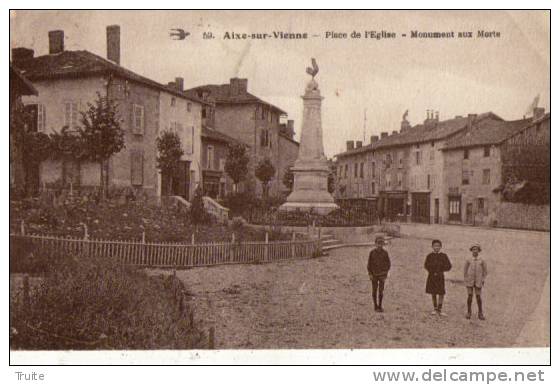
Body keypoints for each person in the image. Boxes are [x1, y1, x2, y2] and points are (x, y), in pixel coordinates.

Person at [424, 239, 452, 316]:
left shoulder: (443, 256)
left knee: (441, 292)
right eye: (435, 246)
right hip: (432, 276)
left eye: (438, 246)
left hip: (440, 276)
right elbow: (426, 265)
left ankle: (440, 308)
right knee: (433, 292)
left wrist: (441, 270)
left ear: (441, 247)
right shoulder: (429, 256)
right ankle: (435, 308)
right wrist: (432, 270)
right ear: (432, 247)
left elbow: (449, 266)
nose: (436, 247)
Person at [463, 243, 488, 320]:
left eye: (476, 249)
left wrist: (483, 279)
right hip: (470, 280)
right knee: (470, 296)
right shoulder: (468, 259)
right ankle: (469, 312)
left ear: (479, 250)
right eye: (473, 249)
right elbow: (465, 270)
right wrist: (466, 278)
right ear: (471, 250)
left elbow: (485, 271)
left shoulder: (482, 260)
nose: (475, 251)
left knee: (478, 296)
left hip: (478, 280)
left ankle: (480, 313)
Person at [367, 235, 391, 312]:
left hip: (382, 275)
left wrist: (385, 273)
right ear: (375, 244)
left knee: (381, 291)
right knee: (374, 290)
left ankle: (380, 305)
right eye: (378, 243)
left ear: (383, 244)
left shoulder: (385, 253)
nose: (379, 245)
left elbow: (388, 264)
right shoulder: (372, 253)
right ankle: (375, 305)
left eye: (381, 244)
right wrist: (370, 274)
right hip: (374, 275)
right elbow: (369, 264)